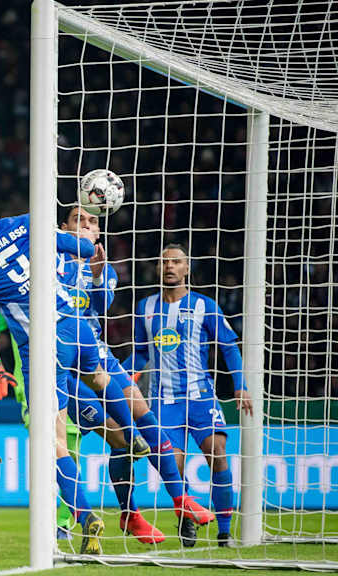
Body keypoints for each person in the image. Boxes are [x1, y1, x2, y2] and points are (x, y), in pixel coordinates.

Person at [0, 176, 146, 554]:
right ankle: (133, 432)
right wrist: (88, 246)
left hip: (44, 344)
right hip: (75, 325)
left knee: (52, 440)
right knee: (100, 376)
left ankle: (85, 516)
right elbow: (77, 246)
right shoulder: (25, 223)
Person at [58, 206, 213, 544]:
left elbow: (102, 305)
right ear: (62, 229)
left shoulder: (104, 270)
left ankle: (180, 501)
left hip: (99, 355)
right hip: (66, 366)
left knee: (146, 417)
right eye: (78, 221)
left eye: (92, 222)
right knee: (122, 442)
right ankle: (126, 514)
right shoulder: (51, 263)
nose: (86, 226)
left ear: (99, 233)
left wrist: (98, 277)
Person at [125, 244, 249, 548]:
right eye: (164, 262)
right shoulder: (145, 308)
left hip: (200, 396)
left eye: (176, 262)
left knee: (218, 454)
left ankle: (224, 531)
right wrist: (125, 374)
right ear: (158, 268)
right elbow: (141, 353)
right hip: (163, 401)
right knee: (173, 464)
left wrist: (240, 384)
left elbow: (229, 346)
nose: (169, 266)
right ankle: (186, 519)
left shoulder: (205, 306)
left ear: (187, 269)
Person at [0, 307, 80, 540]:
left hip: (74, 383)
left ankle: (64, 522)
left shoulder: (73, 287)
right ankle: (48, 520)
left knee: (71, 450)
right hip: (33, 387)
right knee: (49, 450)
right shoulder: (13, 296)